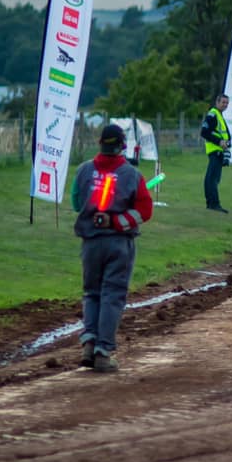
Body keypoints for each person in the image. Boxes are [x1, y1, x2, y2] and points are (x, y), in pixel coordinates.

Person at [72, 122, 154, 373]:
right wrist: (118, 221)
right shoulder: (132, 174)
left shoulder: (84, 170)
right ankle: (103, 352)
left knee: (92, 294)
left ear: (100, 143)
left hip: (90, 243)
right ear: (122, 146)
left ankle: (89, 343)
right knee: (112, 295)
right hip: (119, 243)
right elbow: (145, 211)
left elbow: (76, 202)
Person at [200, 93, 231, 213]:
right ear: (217, 102)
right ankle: (214, 204)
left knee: (213, 178)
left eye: (227, 103)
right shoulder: (213, 114)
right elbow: (204, 132)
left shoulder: (219, 115)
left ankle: (211, 203)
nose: (225, 105)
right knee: (212, 178)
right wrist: (219, 142)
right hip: (215, 150)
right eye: (223, 102)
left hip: (219, 150)